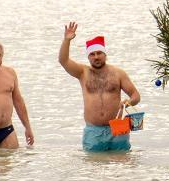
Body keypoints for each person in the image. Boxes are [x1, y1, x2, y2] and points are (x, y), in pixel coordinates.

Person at [59, 22, 141, 152]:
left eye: (99, 53)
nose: (96, 57)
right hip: (93, 131)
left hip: (118, 128)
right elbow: (63, 61)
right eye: (92, 54)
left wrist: (129, 102)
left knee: (122, 168)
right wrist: (67, 40)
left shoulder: (118, 73)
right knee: (92, 168)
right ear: (88, 57)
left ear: (105, 54)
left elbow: (136, 96)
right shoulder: (82, 72)